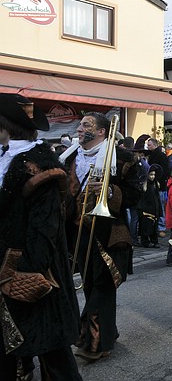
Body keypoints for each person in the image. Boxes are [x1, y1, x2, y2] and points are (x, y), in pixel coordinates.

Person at [0, 93, 82, 381]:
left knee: (52, 351)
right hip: (6, 265)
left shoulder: (39, 166)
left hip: (32, 269)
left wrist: (26, 273)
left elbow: (45, 228)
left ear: (6, 125)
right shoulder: (6, 157)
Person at [61, 111, 142, 362]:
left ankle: (96, 343)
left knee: (103, 287)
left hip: (109, 233)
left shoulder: (123, 158)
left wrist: (110, 192)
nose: (79, 129)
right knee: (89, 285)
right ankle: (108, 331)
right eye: (80, 125)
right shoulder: (69, 157)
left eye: (86, 125)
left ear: (101, 132)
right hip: (78, 232)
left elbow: (135, 195)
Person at [137, 164, 163, 248]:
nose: (152, 177)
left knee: (154, 227)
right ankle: (145, 241)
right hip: (146, 210)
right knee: (146, 226)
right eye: (151, 174)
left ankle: (154, 240)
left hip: (155, 209)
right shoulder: (144, 186)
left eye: (154, 175)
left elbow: (157, 198)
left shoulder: (155, 184)